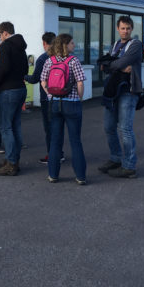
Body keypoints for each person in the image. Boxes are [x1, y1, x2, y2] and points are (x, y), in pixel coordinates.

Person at [98, 16, 143, 179]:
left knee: (125, 129)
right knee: (109, 127)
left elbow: (115, 63)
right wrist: (115, 65)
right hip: (112, 92)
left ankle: (129, 166)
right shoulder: (115, 45)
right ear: (118, 29)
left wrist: (112, 64)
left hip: (128, 92)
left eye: (128, 28)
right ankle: (115, 158)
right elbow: (104, 65)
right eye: (123, 28)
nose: (125, 31)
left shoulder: (136, 45)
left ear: (132, 29)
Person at [41, 34, 87, 185]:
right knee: (75, 141)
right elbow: (80, 83)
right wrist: (79, 98)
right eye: (72, 43)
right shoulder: (73, 61)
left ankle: (53, 175)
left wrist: (49, 94)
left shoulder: (49, 61)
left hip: (54, 103)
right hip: (71, 103)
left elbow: (43, 81)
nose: (74, 45)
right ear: (65, 45)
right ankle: (80, 177)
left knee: (55, 141)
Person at [0, 21, 28, 176]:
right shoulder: (21, 47)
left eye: (0, 35)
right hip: (20, 87)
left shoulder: (6, 46)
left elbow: (3, 68)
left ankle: (11, 162)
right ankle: (14, 159)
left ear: (5, 33)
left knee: (6, 127)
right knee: (16, 126)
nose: (0, 38)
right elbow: (26, 68)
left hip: (8, 90)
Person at [24, 32, 58, 164]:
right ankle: (59, 153)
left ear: (44, 43)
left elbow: (34, 79)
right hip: (61, 97)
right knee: (57, 127)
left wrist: (24, 76)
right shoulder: (62, 56)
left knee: (49, 128)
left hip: (46, 97)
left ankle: (52, 156)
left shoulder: (43, 58)